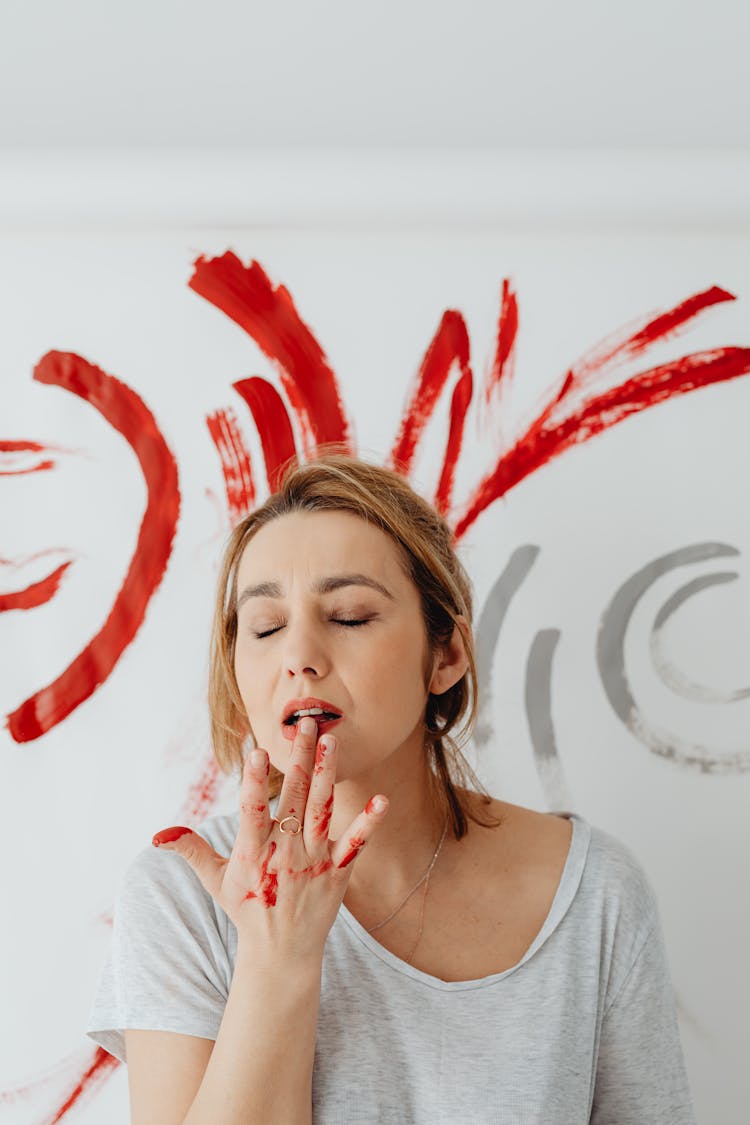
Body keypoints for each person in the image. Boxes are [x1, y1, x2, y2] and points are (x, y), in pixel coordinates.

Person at [86, 452, 697, 1124]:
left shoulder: (597, 895)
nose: (299, 656)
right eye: (264, 627)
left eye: (348, 616)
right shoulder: (181, 898)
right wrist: (276, 956)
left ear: (446, 655)